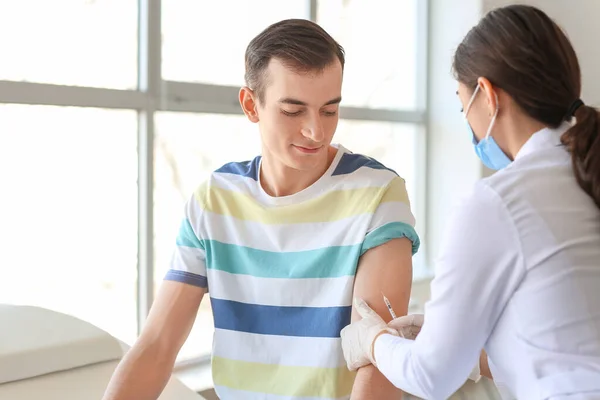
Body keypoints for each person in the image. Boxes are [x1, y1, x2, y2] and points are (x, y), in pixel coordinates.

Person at [102, 19, 420, 400]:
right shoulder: (214, 201)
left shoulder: (379, 193)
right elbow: (157, 346)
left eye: (329, 110)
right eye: (293, 111)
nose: (316, 132)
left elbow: (378, 362)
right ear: (251, 105)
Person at [340, 4, 600, 400]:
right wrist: (461, 343)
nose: (467, 121)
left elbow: (431, 377)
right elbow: (566, 345)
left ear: (489, 95)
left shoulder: (499, 202)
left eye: (463, 107)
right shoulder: (584, 171)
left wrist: (374, 340)